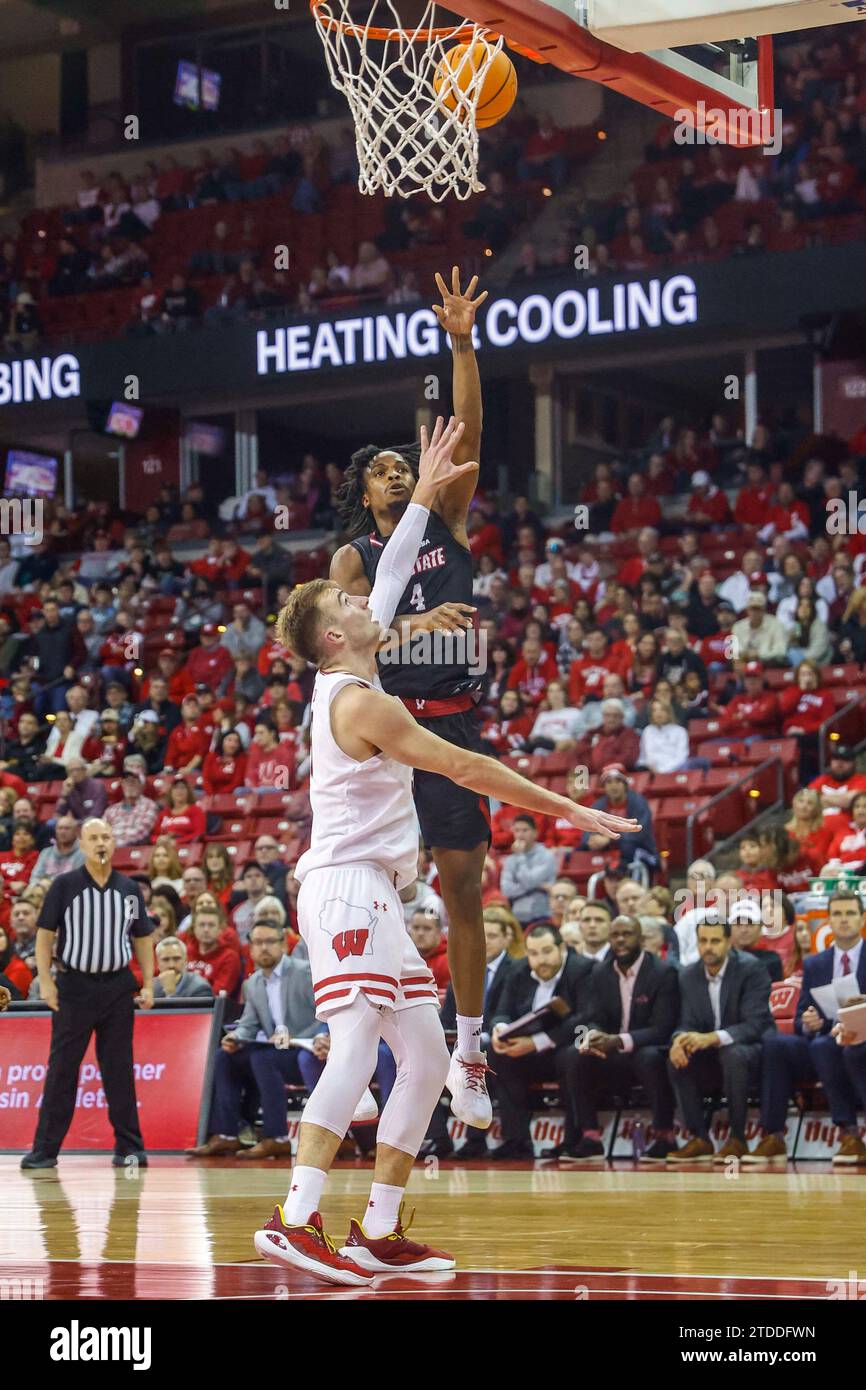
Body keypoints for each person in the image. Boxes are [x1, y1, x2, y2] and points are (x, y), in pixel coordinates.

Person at [254, 418, 638, 1282]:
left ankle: (377, 1229)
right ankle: (294, 1213)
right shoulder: (364, 704)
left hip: (375, 890)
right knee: (356, 1047)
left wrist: (424, 488)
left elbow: (390, 572)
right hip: (348, 888)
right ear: (331, 639)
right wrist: (570, 806)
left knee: (425, 1055)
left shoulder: (360, 658)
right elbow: (469, 763)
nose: (364, 601)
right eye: (348, 606)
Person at [329, 269, 496, 1131]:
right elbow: (335, 657)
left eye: (407, 468)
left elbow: (463, 431)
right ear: (366, 492)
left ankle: (469, 1056)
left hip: (453, 724)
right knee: (370, 897)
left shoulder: (449, 523)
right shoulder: (353, 562)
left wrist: (461, 342)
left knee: (464, 893)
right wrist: (419, 621)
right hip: (388, 740)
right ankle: (352, 1053)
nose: (400, 478)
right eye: (386, 472)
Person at [20, 819, 153, 1171]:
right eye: (93, 837)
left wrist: (150, 983)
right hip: (74, 988)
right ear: (82, 843)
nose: (101, 843)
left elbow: (142, 937)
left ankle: (130, 1148)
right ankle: (44, 1151)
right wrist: (46, 982)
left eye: (106, 837)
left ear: (115, 842)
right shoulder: (64, 886)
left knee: (119, 1070)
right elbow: (45, 936)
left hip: (117, 988)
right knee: (62, 1070)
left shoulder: (128, 889)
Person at [743, 889, 866, 1167]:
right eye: (837, 914)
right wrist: (810, 1024)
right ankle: (772, 1135)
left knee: (826, 1046)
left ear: (861, 919)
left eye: (850, 913)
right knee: (777, 1043)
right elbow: (800, 1019)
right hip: (824, 1042)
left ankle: (849, 1133)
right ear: (828, 921)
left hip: (859, 1044)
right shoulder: (815, 963)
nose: (843, 920)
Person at [188, 921, 326, 1160]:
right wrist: (235, 1037)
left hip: (309, 1047)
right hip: (278, 1049)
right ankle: (227, 1134)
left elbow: (326, 1012)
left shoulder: (305, 972)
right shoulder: (252, 983)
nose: (264, 948)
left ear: (283, 944)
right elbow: (249, 1024)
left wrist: (310, 1036)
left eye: (270, 942)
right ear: (250, 949)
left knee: (263, 1058)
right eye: (258, 943)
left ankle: (277, 1138)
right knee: (225, 1057)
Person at [562, 914, 680, 1163]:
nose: (621, 940)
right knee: (574, 1055)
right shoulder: (600, 972)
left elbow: (663, 1027)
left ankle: (664, 1135)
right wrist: (592, 1035)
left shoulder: (662, 972)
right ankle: (590, 1137)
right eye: (615, 935)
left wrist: (618, 1040)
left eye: (627, 934)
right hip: (612, 1050)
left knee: (648, 1058)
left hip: (648, 1047)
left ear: (640, 938)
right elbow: (593, 1017)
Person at [666, 919, 774, 1164]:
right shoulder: (689, 974)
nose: (708, 947)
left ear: (728, 943)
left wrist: (713, 1038)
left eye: (715, 941)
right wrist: (678, 1040)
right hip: (711, 1052)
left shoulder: (751, 969)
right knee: (676, 1059)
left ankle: (737, 1138)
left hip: (752, 1050)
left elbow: (755, 1024)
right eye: (703, 941)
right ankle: (700, 1138)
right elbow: (685, 1021)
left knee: (733, 1054)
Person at [489, 924, 594, 1160]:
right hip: (526, 1051)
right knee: (494, 1053)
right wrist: (500, 1032)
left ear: (562, 948)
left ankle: (573, 1140)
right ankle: (517, 1140)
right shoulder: (518, 970)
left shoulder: (583, 970)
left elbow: (585, 1019)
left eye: (547, 951)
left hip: (564, 1046)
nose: (540, 960)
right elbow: (501, 1012)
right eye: (534, 954)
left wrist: (536, 1042)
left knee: (570, 1056)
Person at [421, 910, 518, 1160]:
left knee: (489, 1059)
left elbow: (510, 1012)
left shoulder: (517, 970)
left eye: (493, 935)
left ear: (508, 938)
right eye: (483, 935)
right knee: (425, 1061)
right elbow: (446, 1020)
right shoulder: (462, 974)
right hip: (462, 1043)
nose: (486, 941)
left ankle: (482, 1137)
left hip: (500, 1044)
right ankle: (438, 1138)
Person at [500, 814, 558, 926]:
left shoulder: (546, 856)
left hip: (542, 916)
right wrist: (538, 886)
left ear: (535, 833)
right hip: (517, 917)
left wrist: (521, 856)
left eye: (525, 830)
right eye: (517, 830)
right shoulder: (510, 860)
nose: (520, 835)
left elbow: (529, 881)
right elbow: (506, 890)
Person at [104, 767, 159, 846]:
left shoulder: (149, 806)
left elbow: (141, 833)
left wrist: (114, 843)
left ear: (142, 785)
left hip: (133, 849)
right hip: (110, 849)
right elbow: (102, 831)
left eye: (133, 781)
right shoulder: (111, 809)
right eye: (126, 781)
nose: (129, 784)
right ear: (122, 785)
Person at [30, 815, 85, 882]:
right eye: (60, 828)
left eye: (67, 828)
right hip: (43, 889)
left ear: (76, 831)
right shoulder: (46, 852)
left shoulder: (84, 853)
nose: (62, 832)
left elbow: (78, 881)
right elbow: (35, 877)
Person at [407, 910, 450, 992]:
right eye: (416, 927)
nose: (420, 933)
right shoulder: (403, 959)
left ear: (439, 932)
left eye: (427, 928)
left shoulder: (449, 962)